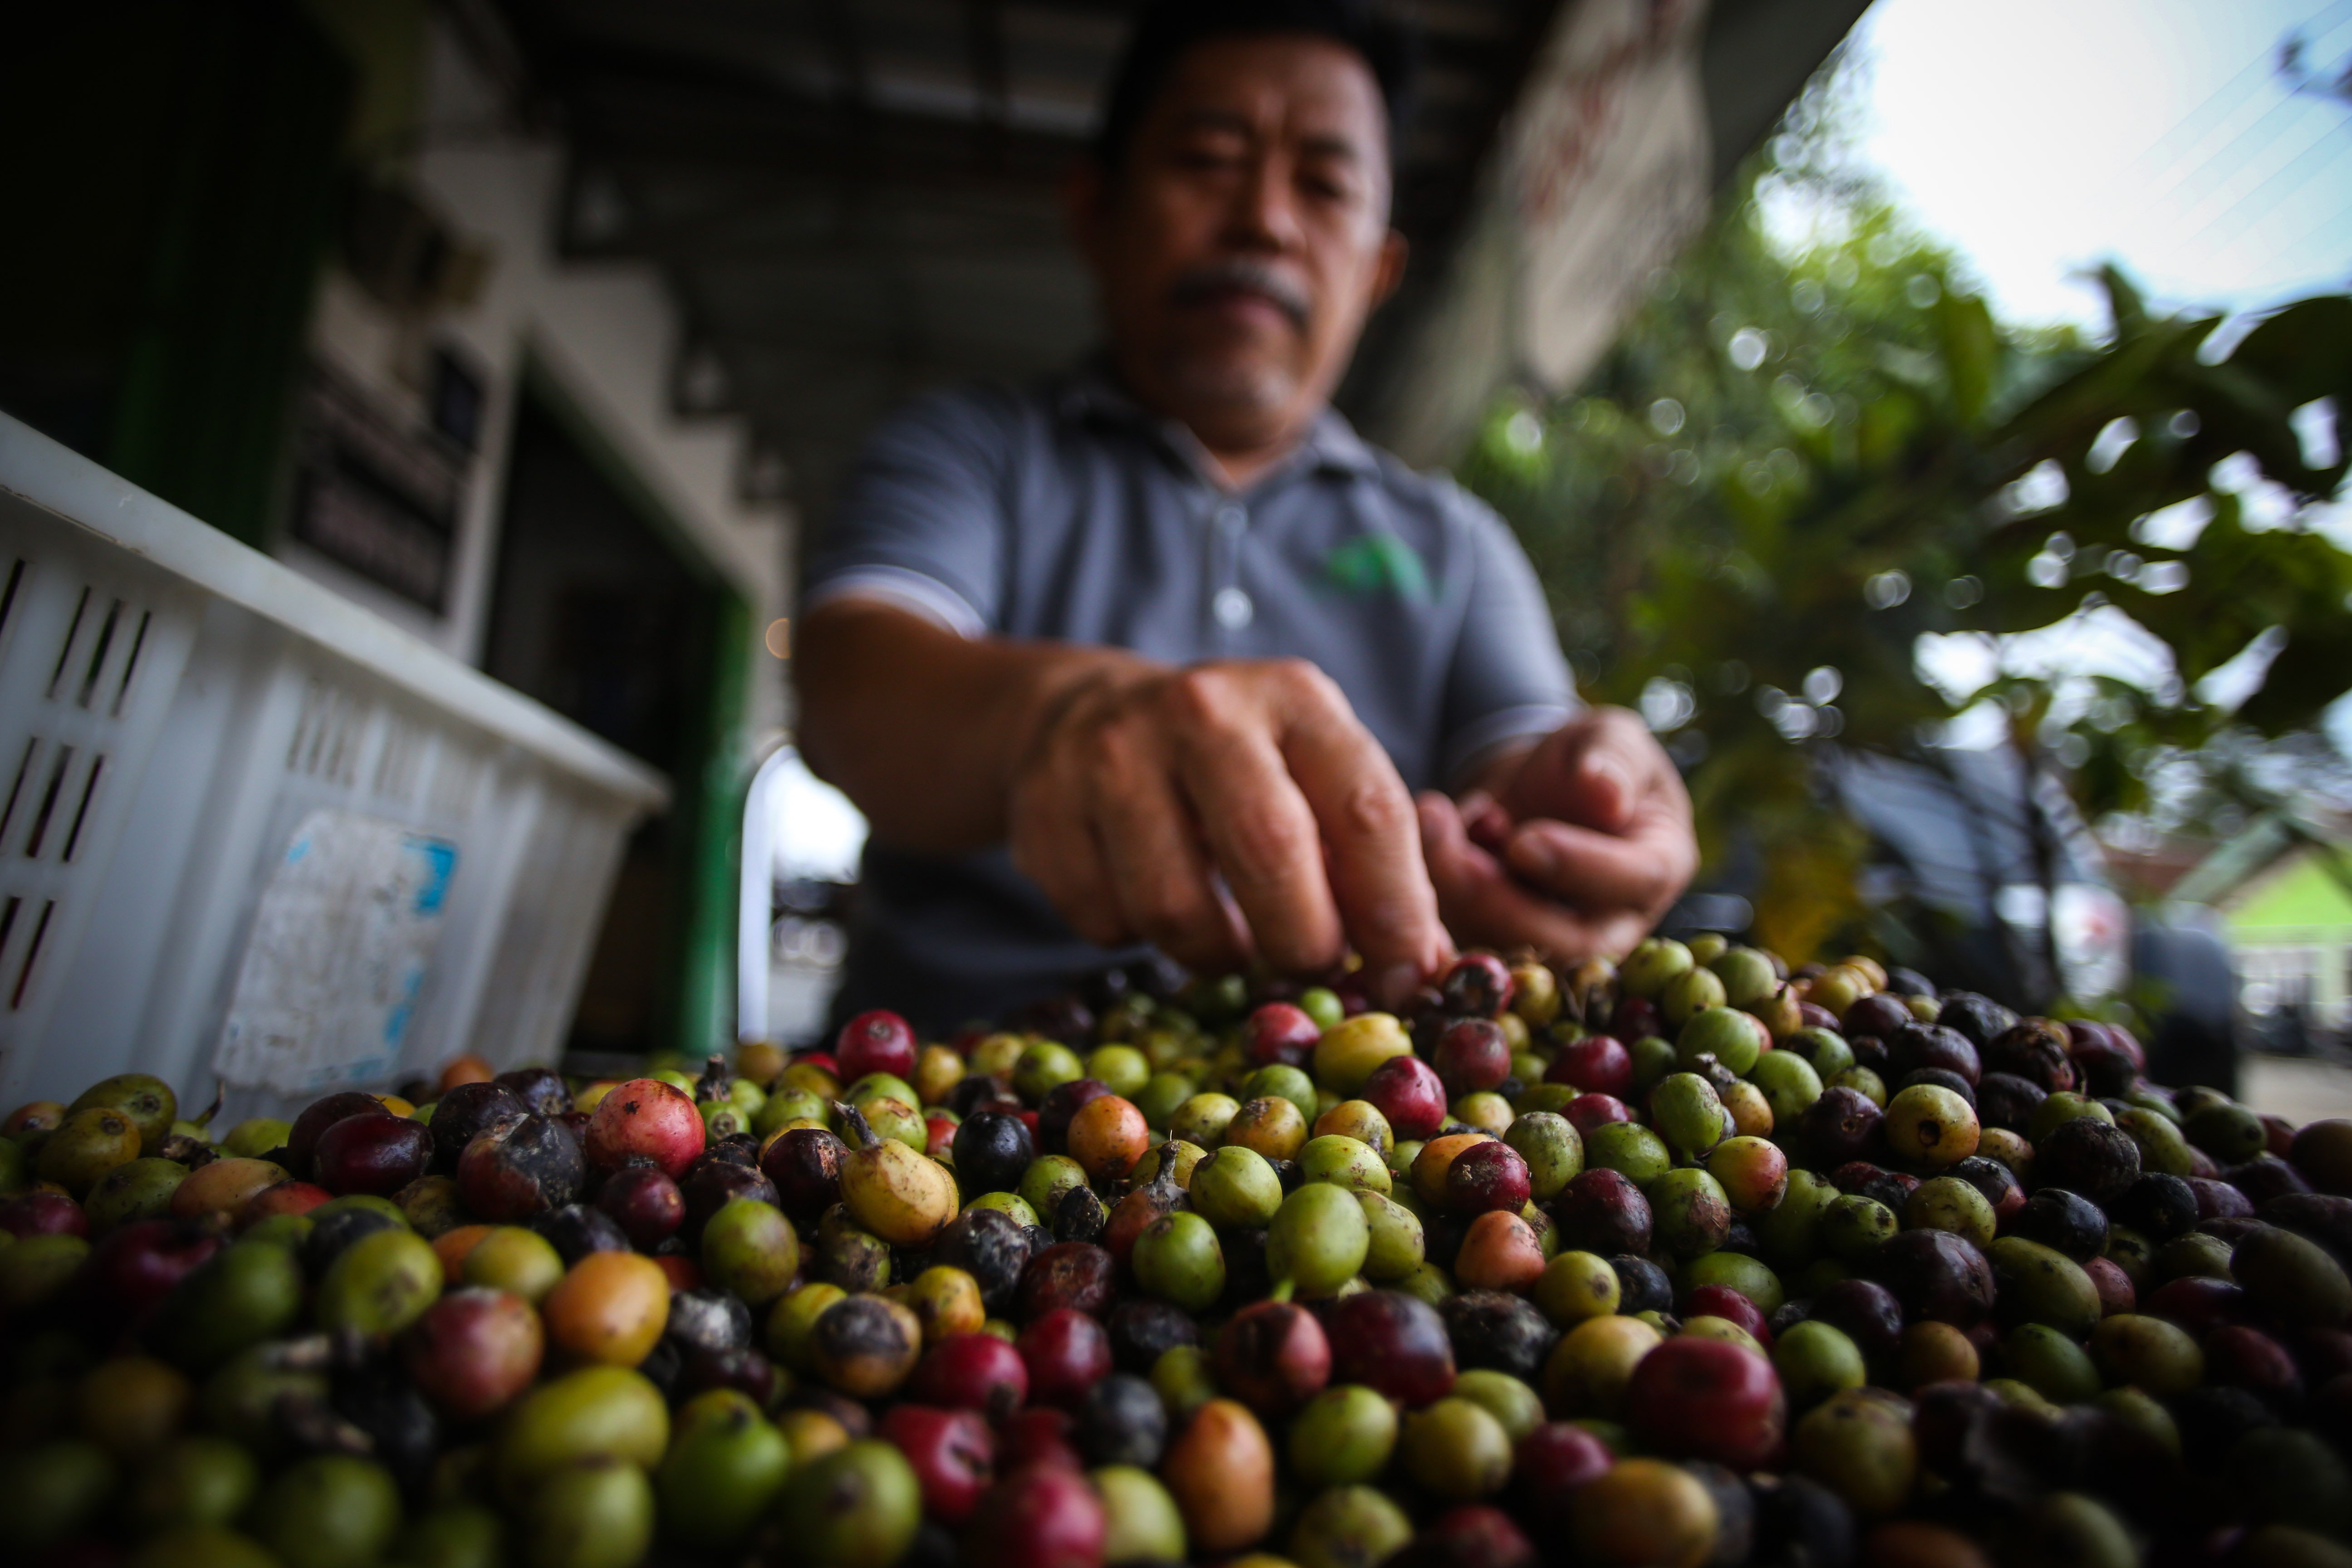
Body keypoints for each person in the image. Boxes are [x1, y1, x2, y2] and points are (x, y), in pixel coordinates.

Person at [795, 0, 1696, 1033]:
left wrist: (1586, 813)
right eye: (1210, 157)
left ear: (1378, 271)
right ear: (1095, 210)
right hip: (948, 1107)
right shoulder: (972, 449)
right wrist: (1069, 717)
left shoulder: (1456, 544)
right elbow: (851, 681)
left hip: (1349, 1122)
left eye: (1325, 185)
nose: (1265, 219)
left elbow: (1524, 767)